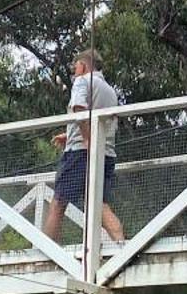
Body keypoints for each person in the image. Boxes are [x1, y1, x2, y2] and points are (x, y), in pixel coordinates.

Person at [44, 48, 126, 243]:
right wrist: (71, 134)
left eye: (75, 67)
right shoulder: (109, 90)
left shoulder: (82, 81)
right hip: (106, 153)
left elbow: (79, 109)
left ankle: (45, 255)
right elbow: (100, 119)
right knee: (99, 204)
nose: (74, 72)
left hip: (82, 152)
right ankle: (121, 245)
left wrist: (87, 138)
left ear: (82, 66)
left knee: (58, 203)